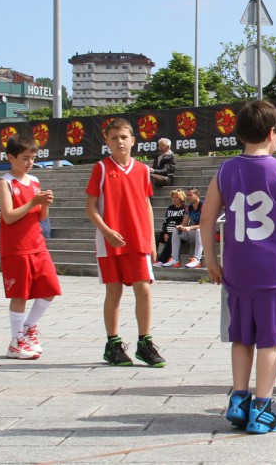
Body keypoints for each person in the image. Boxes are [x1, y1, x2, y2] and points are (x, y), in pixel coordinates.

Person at [199, 100, 276, 435]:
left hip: (237, 269)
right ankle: (263, 409)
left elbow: (207, 217)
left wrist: (211, 259)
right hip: (274, 270)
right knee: (270, 340)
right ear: (272, 133)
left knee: (242, 337)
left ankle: (239, 400)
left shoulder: (225, 170)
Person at [85, 118, 165, 367]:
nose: (119, 141)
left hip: (138, 239)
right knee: (115, 291)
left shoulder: (142, 170)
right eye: (113, 138)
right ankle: (113, 343)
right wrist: (107, 231)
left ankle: (145, 342)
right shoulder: (100, 168)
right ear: (106, 142)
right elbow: (90, 207)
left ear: (132, 140)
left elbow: (146, 204)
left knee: (144, 289)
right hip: (110, 241)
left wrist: (151, 239)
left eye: (123, 137)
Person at [0, 134, 61, 359]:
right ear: (11, 157)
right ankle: (16, 341)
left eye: (32, 158)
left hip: (37, 243)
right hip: (16, 246)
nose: (29, 162)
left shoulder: (34, 182)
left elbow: (41, 216)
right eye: (25, 158)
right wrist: (33, 202)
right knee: (20, 294)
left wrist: (45, 204)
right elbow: (9, 216)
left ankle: (28, 328)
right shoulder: (5, 182)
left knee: (50, 287)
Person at [166, 187, 203, 269]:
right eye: (187, 195)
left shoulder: (204, 206)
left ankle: (197, 260)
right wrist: (181, 226)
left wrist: (190, 228)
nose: (188, 197)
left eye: (190, 195)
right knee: (176, 230)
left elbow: (205, 225)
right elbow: (184, 222)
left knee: (199, 231)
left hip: (207, 234)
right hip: (196, 232)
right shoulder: (188, 207)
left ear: (197, 195)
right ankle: (175, 259)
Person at [153, 189, 186, 268]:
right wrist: (165, 233)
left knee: (172, 238)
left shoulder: (185, 208)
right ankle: (153, 258)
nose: (174, 199)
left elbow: (184, 223)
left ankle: (161, 261)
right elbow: (165, 222)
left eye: (176, 197)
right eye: (173, 197)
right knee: (155, 236)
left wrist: (171, 233)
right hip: (167, 233)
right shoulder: (170, 208)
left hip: (178, 233)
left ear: (181, 198)